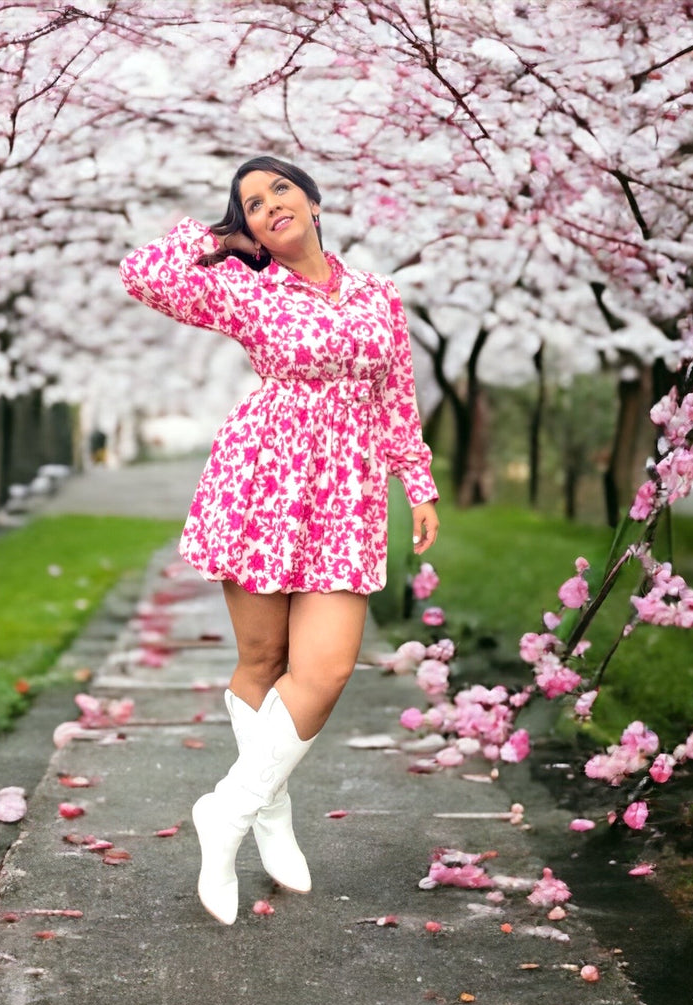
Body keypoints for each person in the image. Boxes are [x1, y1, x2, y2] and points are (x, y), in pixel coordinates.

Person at [119, 156, 439, 925]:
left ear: (315, 202)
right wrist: (217, 237)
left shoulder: (377, 295)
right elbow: (143, 272)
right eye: (253, 204)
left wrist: (417, 482)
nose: (268, 207)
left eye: (279, 191)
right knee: (263, 659)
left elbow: (395, 394)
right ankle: (271, 814)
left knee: (324, 669)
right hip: (262, 481)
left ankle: (226, 810)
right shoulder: (243, 285)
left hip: (347, 494)